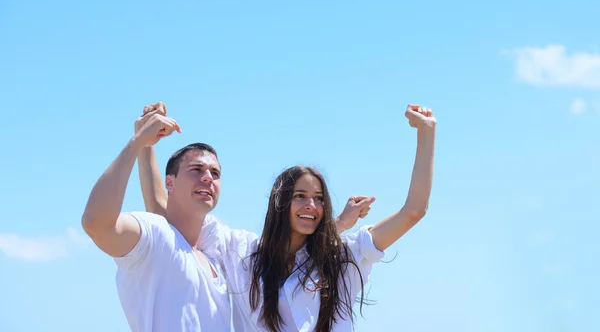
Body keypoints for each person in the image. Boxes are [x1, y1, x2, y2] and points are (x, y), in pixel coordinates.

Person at [140, 103, 436, 331]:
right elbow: (167, 217)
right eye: (300, 196)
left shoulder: (343, 257)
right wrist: (145, 145)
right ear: (280, 202)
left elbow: (413, 211)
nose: (311, 205)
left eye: (319, 199)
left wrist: (426, 133)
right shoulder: (242, 253)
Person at [81, 110, 233, 332]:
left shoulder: (211, 252)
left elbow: (161, 205)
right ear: (170, 183)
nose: (208, 177)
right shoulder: (155, 236)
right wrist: (138, 141)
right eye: (197, 169)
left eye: (215, 173)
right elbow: (96, 222)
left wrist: (147, 147)